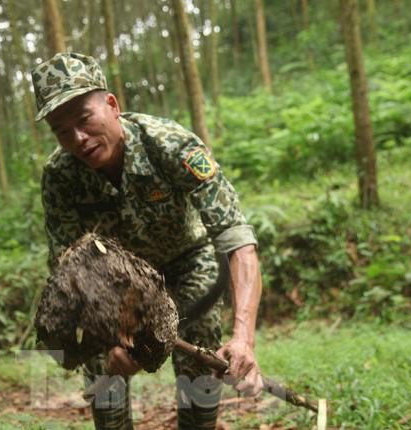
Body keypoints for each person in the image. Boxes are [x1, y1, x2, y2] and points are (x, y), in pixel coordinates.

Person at [32, 52, 263, 430]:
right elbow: (68, 271)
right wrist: (116, 338)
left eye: (84, 119)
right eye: (61, 130)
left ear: (111, 105)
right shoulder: (60, 176)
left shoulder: (170, 146)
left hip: (188, 266)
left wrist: (243, 340)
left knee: (199, 354)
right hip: (113, 290)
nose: (77, 138)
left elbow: (237, 240)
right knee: (104, 372)